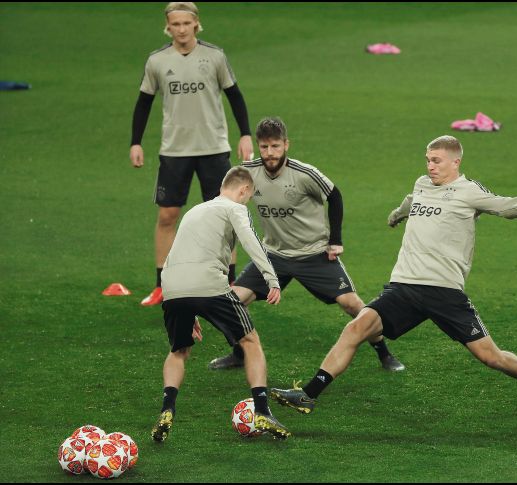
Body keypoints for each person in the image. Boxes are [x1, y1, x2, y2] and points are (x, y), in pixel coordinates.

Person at [268, 135, 517, 420]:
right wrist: (397, 215)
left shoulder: (468, 191)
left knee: (491, 357)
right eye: (428, 159)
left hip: (444, 291)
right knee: (356, 328)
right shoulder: (423, 184)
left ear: (455, 162)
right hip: (405, 286)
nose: (430, 166)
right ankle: (309, 394)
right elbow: (412, 200)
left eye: (436, 160)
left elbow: (502, 206)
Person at [208, 117, 406, 372]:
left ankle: (384, 353)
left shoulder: (304, 174)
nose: (270, 153)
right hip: (273, 255)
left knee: (351, 303)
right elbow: (227, 200)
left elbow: (334, 196)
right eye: (264, 147)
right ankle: (240, 352)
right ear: (258, 146)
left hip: (313, 254)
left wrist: (335, 240)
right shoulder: (248, 172)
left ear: (286, 145)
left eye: (275, 146)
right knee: (232, 301)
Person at [151, 166, 290, 442]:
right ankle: (262, 411)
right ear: (244, 190)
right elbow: (251, 241)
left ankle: (167, 409)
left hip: (173, 287)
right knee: (250, 342)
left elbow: (174, 255)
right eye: (248, 196)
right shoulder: (235, 208)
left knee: (179, 350)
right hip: (210, 285)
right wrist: (271, 279)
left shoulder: (194, 211)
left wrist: (187, 306)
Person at [130, 2, 254, 306]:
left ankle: (228, 282)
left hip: (214, 148)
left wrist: (245, 134)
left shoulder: (214, 56)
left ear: (196, 24)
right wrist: (136, 142)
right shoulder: (157, 61)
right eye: (176, 24)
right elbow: (144, 102)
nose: (182, 29)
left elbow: (235, 96)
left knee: (224, 216)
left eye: (187, 23)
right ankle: (162, 285)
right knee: (167, 216)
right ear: (168, 27)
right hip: (175, 151)